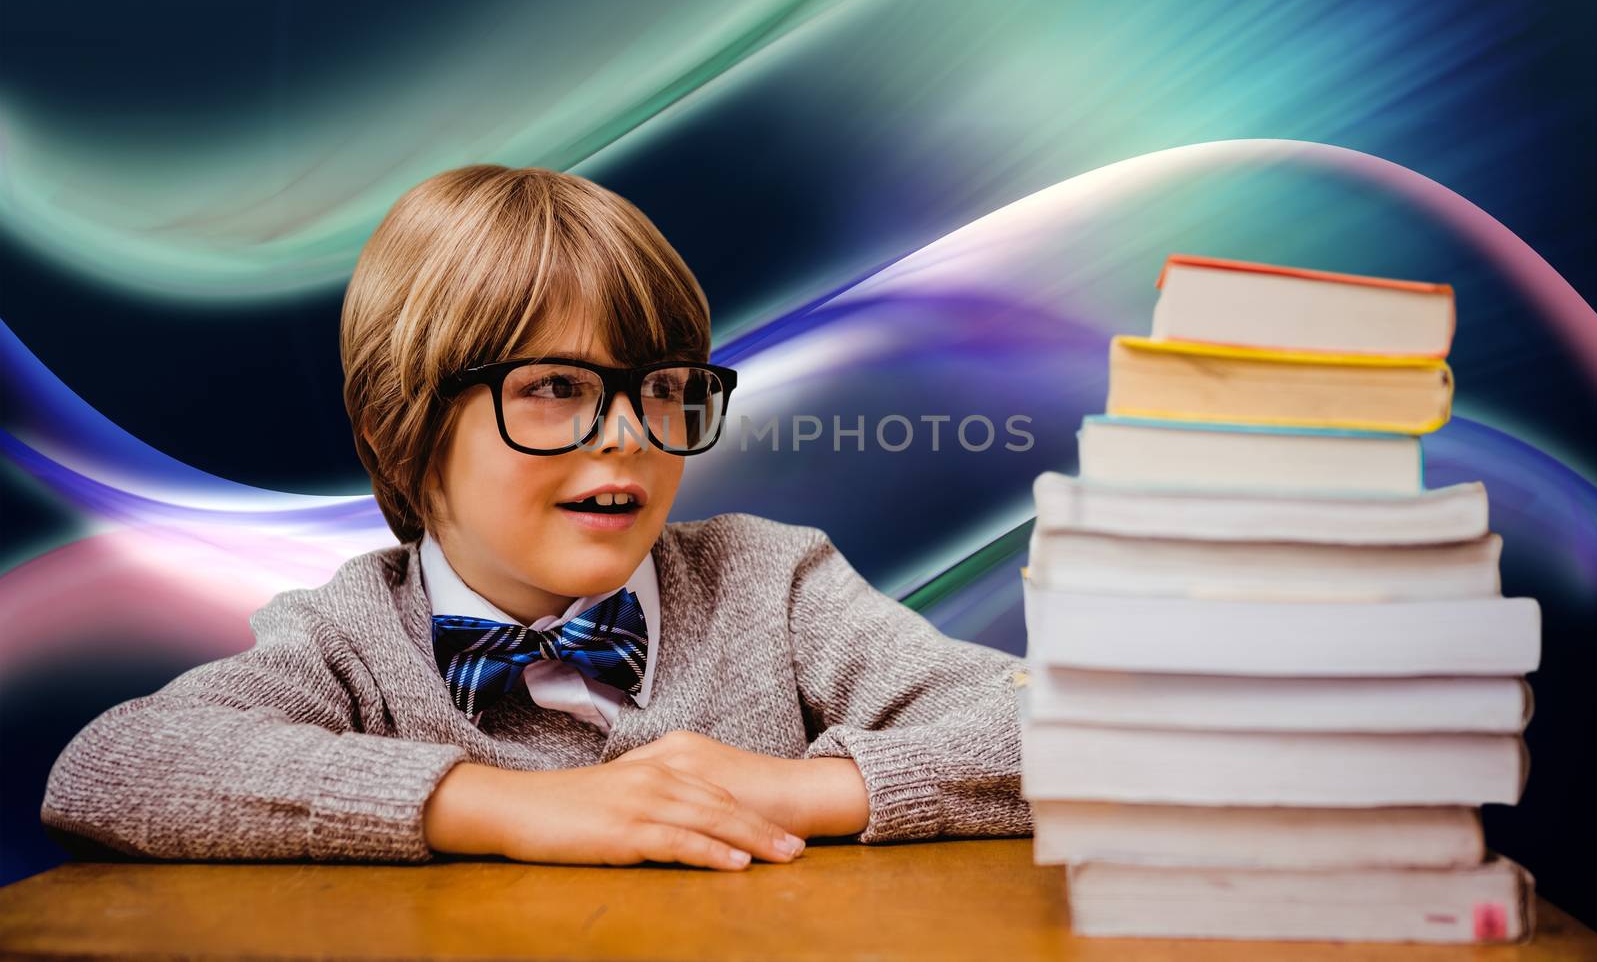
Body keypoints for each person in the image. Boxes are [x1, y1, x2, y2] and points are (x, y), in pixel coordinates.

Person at [39, 165, 1032, 872]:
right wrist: (514, 805)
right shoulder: (348, 634)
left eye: (660, 388)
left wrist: (800, 788)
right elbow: (116, 766)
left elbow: (1068, 729)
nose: (629, 432)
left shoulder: (770, 584)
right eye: (555, 385)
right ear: (399, 429)